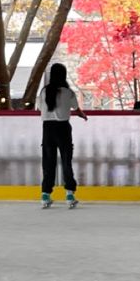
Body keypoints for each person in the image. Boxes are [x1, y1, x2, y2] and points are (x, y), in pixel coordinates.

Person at [38, 62, 88, 209]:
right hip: (63, 128)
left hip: (47, 129)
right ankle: (69, 193)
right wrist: (82, 115)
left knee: (48, 162)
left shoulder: (44, 92)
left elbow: (40, 109)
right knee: (66, 161)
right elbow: (76, 109)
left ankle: (45, 194)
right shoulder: (68, 92)